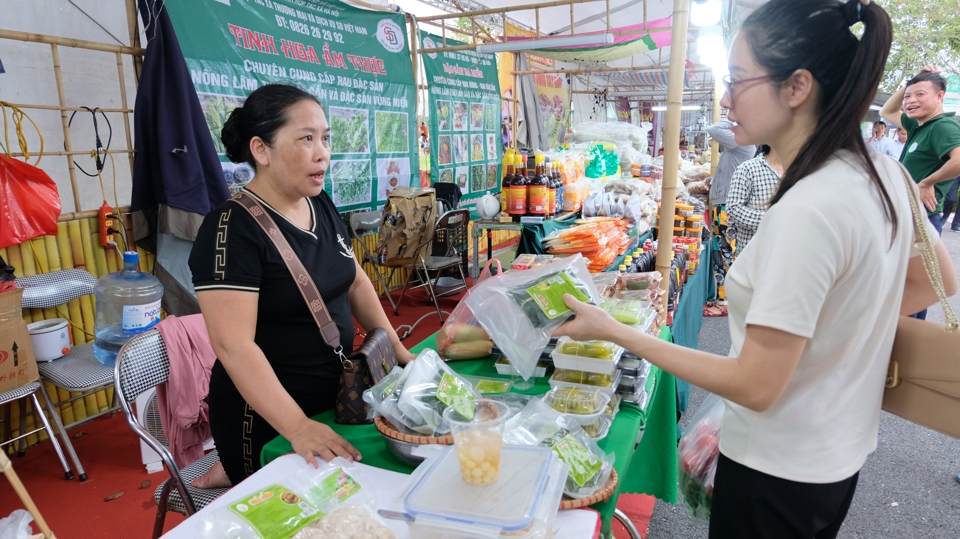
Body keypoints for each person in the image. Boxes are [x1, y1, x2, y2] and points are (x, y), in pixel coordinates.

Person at [555, 1, 957, 537]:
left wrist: (614, 330)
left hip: (776, 470)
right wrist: (832, 326)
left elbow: (757, 385)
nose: (725, 99)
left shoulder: (808, 209)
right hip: (839, 454)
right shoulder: (883, 171)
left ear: (797, 87)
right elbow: (934, 280)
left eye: (737, 81)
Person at [188, 84, 415, 488]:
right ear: (261, 149)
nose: (322, 152)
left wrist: (396, 348)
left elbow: (356, 280)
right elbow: (233, 346)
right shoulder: (230, 229)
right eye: (306, 138)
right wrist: (297, 427)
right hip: (268, 420)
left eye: (325, 138)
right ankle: (231, 468)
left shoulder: (318, 201)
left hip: (341, 398)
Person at [881, 67, 960, 236]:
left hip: (921, 220)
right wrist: (913, 80)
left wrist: (927, 183)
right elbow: (886, 111)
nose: (910, 100)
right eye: (908, 96)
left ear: (940, 96)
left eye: (920, 94)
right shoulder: (918, 125)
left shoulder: (943, 126)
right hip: (905, 215)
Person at [726, 145, 783, 253]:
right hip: (754, 255)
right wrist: (771, 220)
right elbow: (733, 208)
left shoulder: (802, 172)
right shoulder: (748, 169)